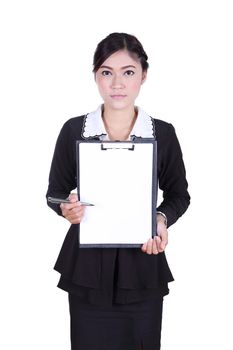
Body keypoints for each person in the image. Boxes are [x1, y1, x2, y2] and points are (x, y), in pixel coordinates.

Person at [46, 32, 190, 350]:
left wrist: (162, 218)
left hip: (142, 267)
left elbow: (179, 194)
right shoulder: (74, 130)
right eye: (106, 73)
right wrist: (65, 208)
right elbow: (54, 193)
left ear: (143, 76)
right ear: (96, 77)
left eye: (128, 72)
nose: (117, 84)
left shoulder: (162, 134)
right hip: (86, 270)